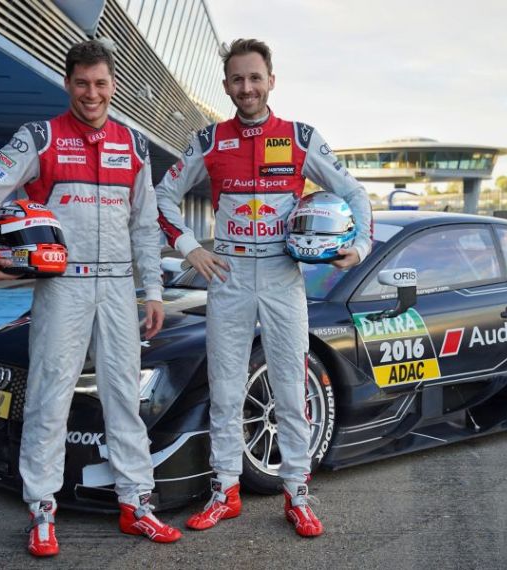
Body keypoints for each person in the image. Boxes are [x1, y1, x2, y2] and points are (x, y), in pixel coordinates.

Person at [0, 39, 181, 556]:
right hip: (63, 287)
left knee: (125, 396)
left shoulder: (136, 145)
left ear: (114, 85)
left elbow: (146, 226)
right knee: (49, 396)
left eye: (101, 83)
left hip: (120, 289)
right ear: (67, 84)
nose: (92, 93)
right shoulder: (40, 138)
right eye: (82, 83)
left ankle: (136, 503)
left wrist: (152, 292)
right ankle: (41, 510)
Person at [155, 38, 372, 538]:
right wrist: (190, 247)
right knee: (227, 390)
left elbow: (353, 191)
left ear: (271, 80)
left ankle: (297, 493)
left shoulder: (299, 137)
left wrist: (358, 246)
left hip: (280, 276)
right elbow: (163, 194)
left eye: (255, 78)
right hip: (228, 276)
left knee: (291, 390)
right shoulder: (209, 140)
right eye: (237, 79)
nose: (246, 87)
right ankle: (224, 491)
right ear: (227, 85)